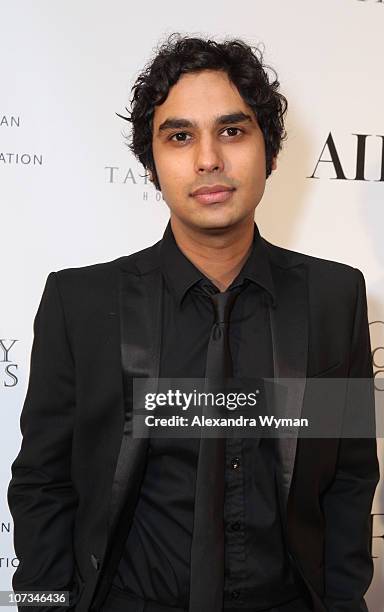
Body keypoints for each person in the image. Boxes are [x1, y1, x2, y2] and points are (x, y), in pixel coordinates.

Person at [8, 34, 379, 612]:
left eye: (232, 131)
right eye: (180, 136)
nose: (208, 158)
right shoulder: (79, 303)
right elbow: (43, 485)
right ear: (153, 165)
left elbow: (349, 480)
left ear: (271, 151)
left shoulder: (334, 298)